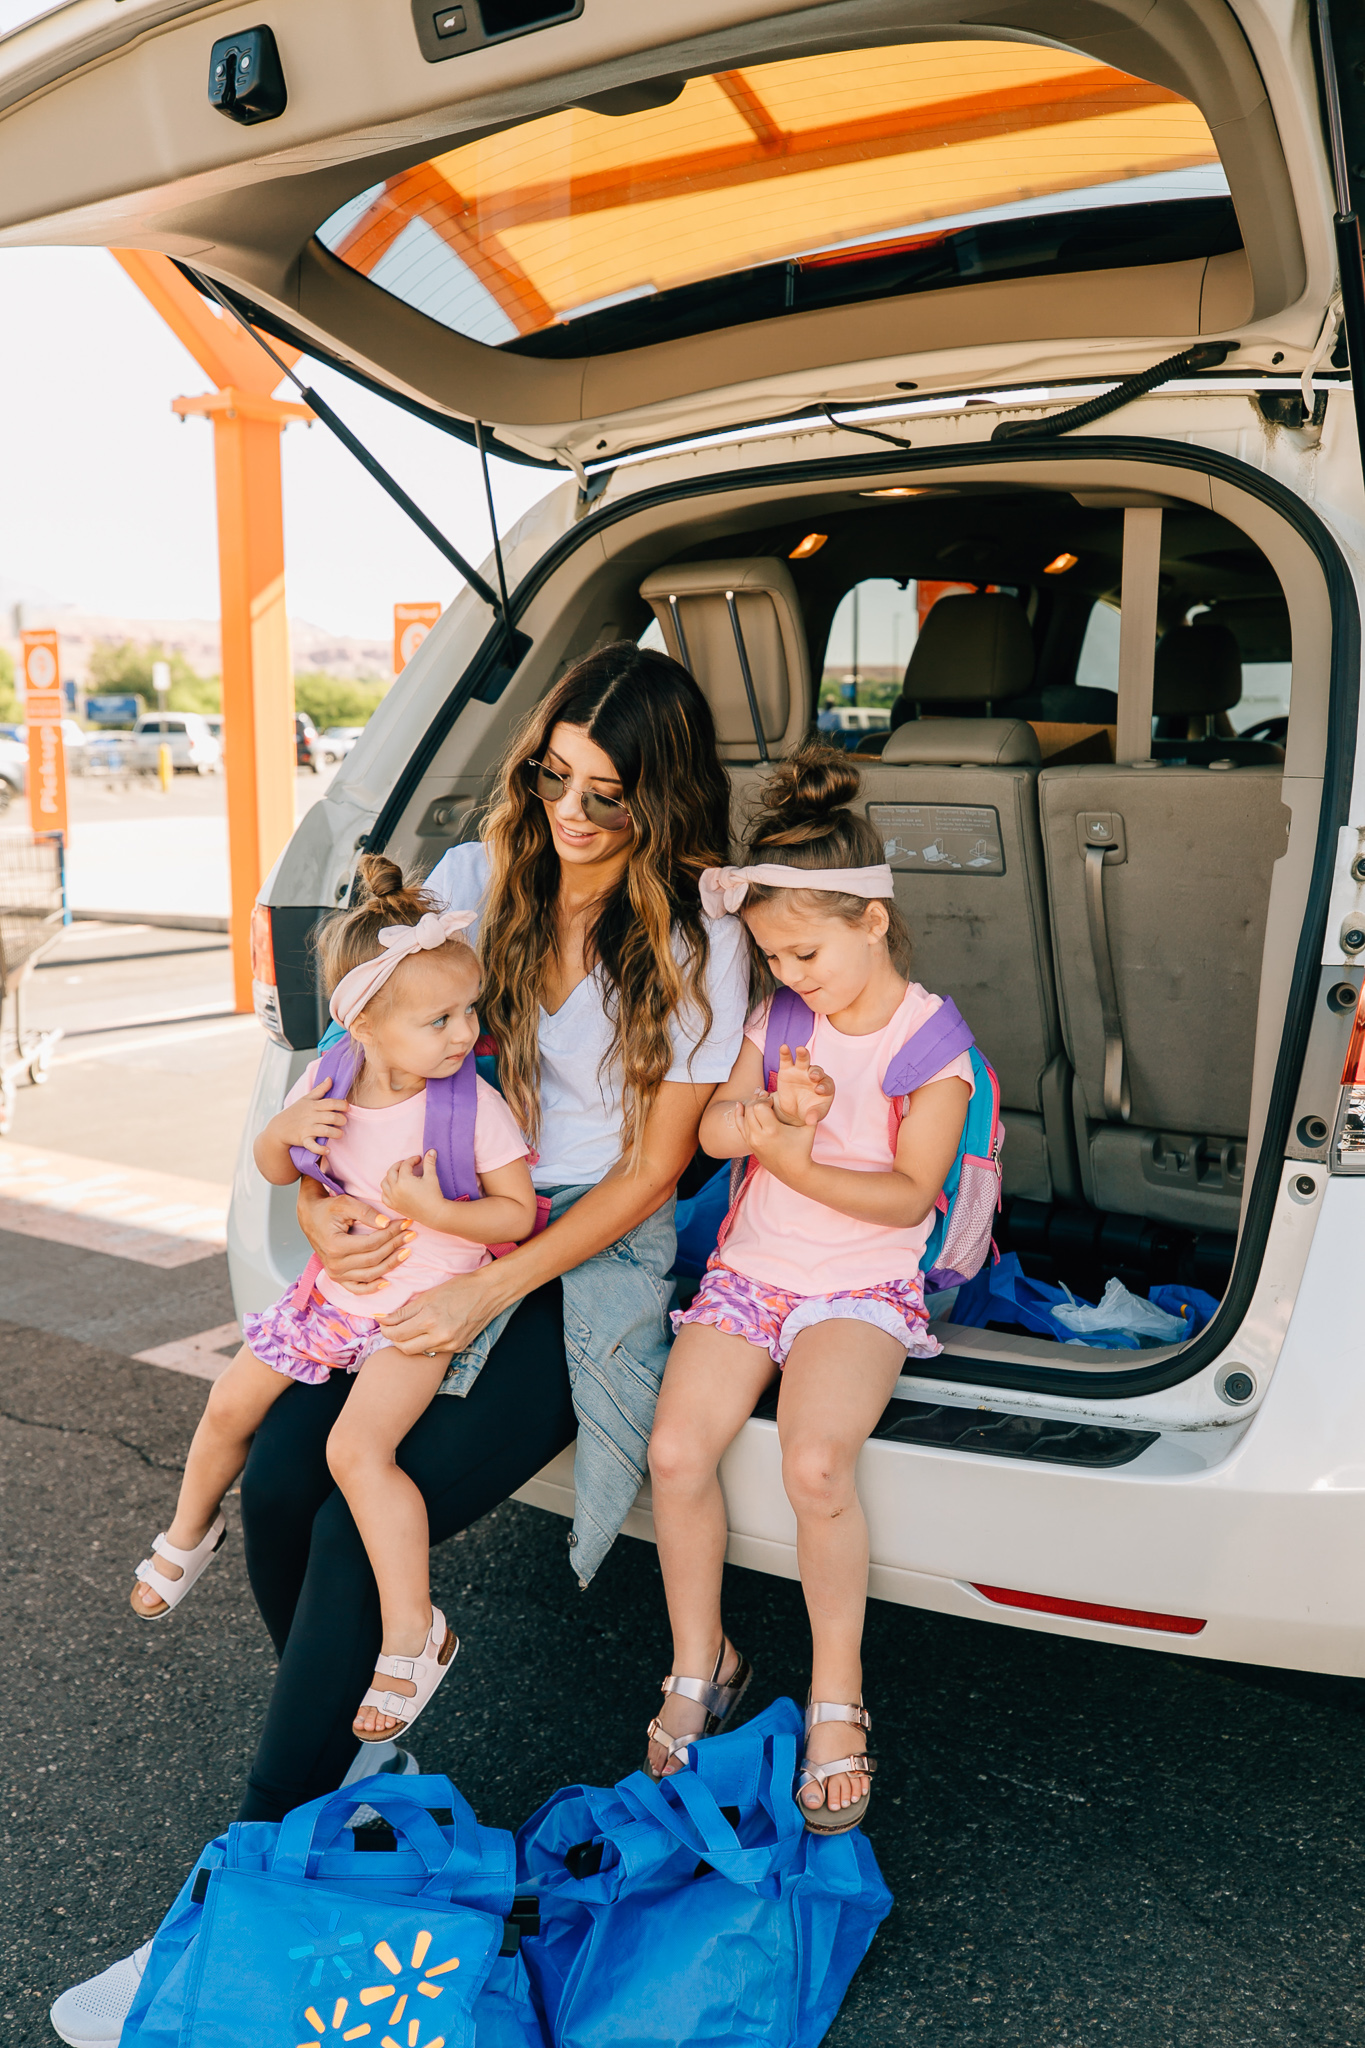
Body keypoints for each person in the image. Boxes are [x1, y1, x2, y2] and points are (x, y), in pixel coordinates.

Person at [52, 641, 748, 2046]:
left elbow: (645, 1179)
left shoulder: (697, 943)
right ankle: (349, 1768)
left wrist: (487, 1289)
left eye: (610, 796)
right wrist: (320, 1212)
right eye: (554, 775)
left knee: (389, 1501)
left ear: (666, 803)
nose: (571, 812)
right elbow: (355, 1070)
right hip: (424, 1222)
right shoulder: (483, 885)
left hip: (574, 1258)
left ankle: (241, 1885)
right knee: (288, 1483)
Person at [130, 858, 538, 1751]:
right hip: (336, 1295)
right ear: (363, 1022)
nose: (464, 1033)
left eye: (470, 1010)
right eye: (439, 1020)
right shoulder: (332, 1077)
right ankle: (189, 1532)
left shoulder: (473, 1107)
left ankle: (414, 1631)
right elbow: (284, 1171)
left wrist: (438, 1212)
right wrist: (278, 1136)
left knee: (358, 1449)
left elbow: (516, 1213)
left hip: (420, 1310)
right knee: (229, 1402)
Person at [643, 743, 973, 1834]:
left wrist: (793, 1155)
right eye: (774, 955)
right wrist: (766, 1117)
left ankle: (839, 1694)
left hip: (860, 1285)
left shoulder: (932, 1041)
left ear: (873, 921)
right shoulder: (781, 1018)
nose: (791, 975)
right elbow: (712, 1127)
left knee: (816, 1460)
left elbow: (911, 1196)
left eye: (805, 952)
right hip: (753, 1273)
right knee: (678, 1450)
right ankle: (704, 1658)